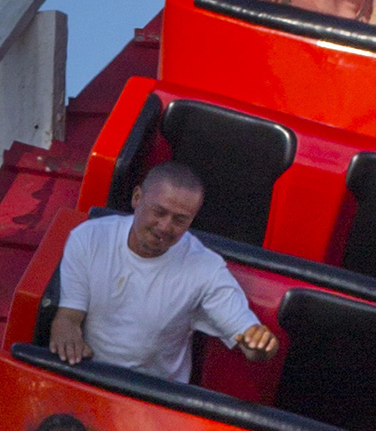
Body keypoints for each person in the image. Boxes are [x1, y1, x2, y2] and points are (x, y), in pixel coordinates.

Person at [49, 162, 281, 384]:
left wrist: (260, 345)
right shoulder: (88, 237)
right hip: (88, 376)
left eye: (180, 220)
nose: (165, 227)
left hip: (153, 398)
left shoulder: (206, 268)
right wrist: (68, 340)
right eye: (159, 212)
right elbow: (69, 317)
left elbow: (249, 340)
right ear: (137, 198)